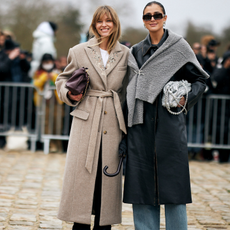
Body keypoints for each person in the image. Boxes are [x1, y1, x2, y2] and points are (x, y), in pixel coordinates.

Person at [123, 2, 209, 230]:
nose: (152, 19)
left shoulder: (179, 47)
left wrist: (186, 97)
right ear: (143, 20)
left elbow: (201, 80)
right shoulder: (135, 52)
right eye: (148, 16)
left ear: (164, 18)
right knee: (141, 191)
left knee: (174, 191)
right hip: (140, 128)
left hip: (169, 128)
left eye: (157, 15)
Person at [55, 5, 129, 230]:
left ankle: (104, 225)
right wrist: (68, 93)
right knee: (83, 178)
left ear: (115, 24)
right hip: (85, 120)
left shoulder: (126, 54)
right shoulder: (78, 50)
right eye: (100, 21)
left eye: (109, 21)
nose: (104, 25)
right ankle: (79, 224)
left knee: (106, 180)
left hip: (113, 122)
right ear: (94, 24)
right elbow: (62, 79)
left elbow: (127, 90)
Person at [33, 53, 63, 152]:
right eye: (46, 62)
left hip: (56, 102)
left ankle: (58, 145)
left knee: (57, 124)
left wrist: (53, 76)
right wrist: (44, 77)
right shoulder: (38, 73)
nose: (48, 64)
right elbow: (35, 84)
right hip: (43, 102)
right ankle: (49, 145)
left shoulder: (58, 72)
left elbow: (62, 83)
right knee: (45, 124)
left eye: (49, 62)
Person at [211, 51, 230, 163]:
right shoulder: (220, 68)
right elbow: (216, 79)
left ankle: (226, 156)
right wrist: (225, 67)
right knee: (220, 130)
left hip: (227, 105)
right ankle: (219, 155)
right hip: (220, 107)